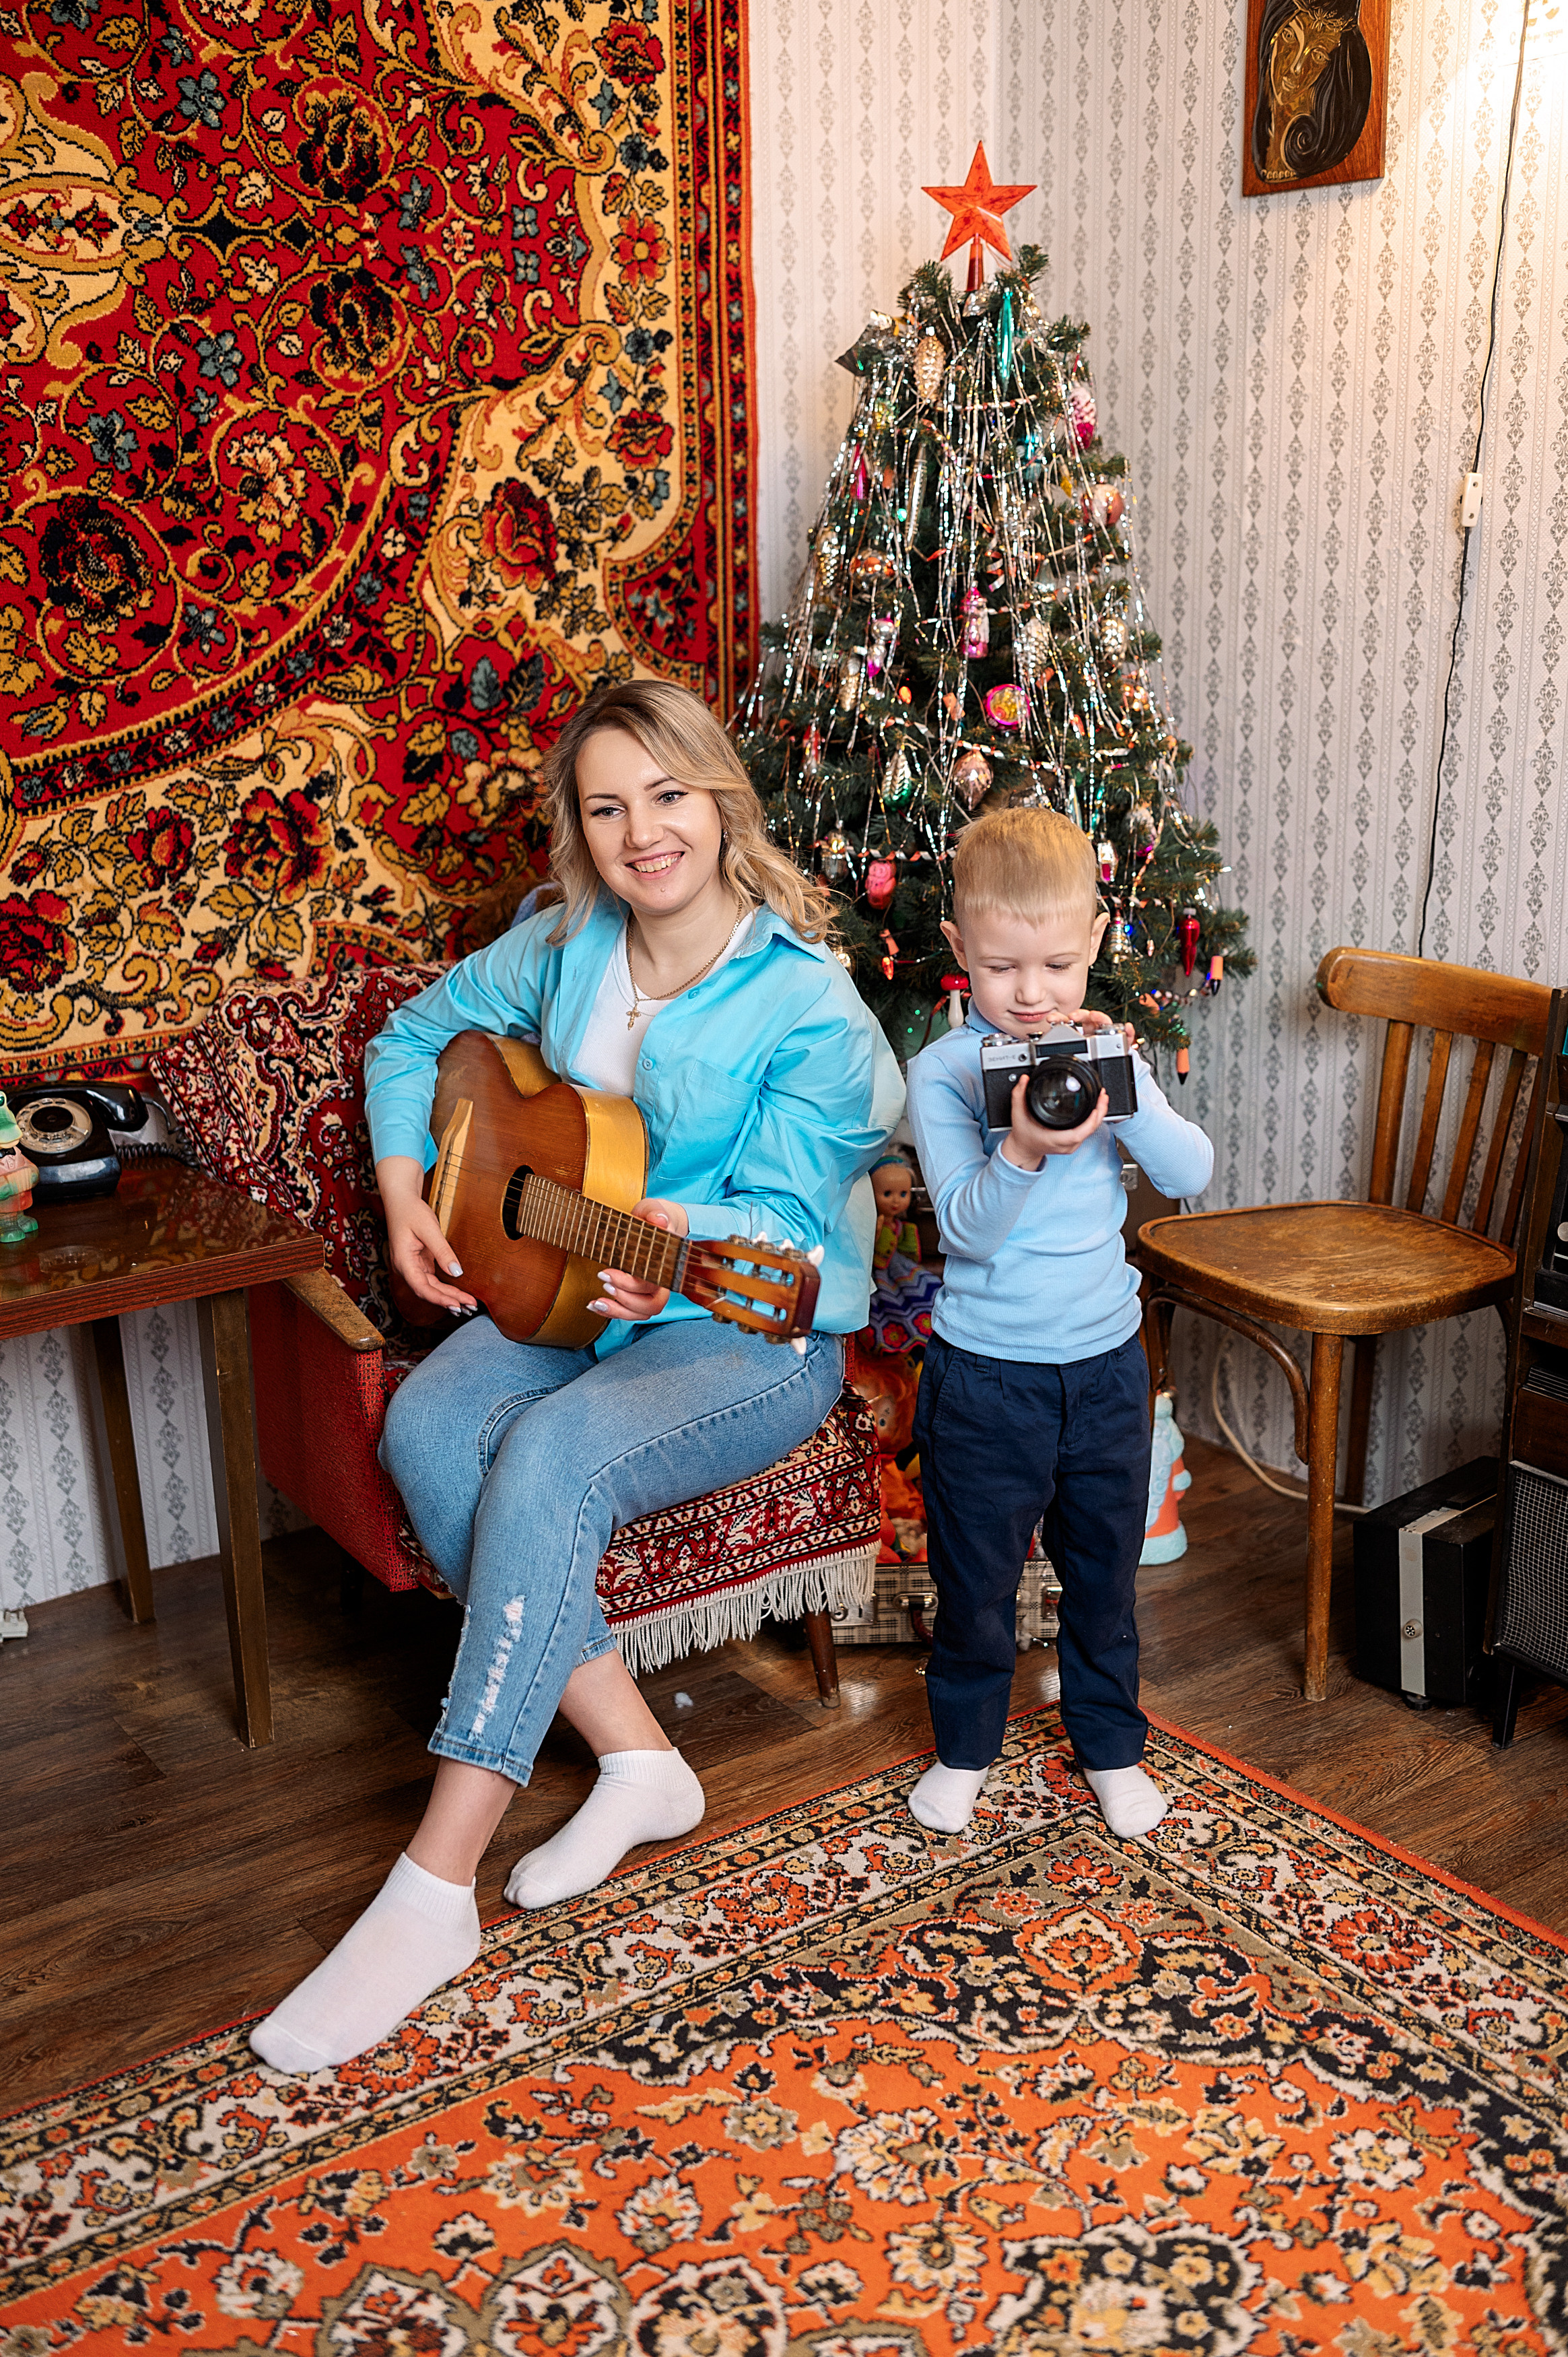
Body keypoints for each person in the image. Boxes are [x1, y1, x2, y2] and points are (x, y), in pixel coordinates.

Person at [248, 680, 903, 2074]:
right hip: (569, 1293)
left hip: (746, 1334)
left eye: (666, 797)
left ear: (719, 801)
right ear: (579, 828)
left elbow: (784, 1230)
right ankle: (641, 1759)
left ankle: (433, 1888)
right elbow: (410, 1038)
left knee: (550, 1454)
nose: (641, 833)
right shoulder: (564, 944)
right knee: (429, 1427)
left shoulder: (813, 1010)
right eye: (607, 808)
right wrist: (407, 1185)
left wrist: (686, 1246)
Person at [904, 807, 1213, 1841]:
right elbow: (966, 1230)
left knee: (1103, 1576)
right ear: (959, 951)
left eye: (1055, 966)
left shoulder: (1103, 1055)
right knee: (976, 1580)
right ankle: (964, 1748)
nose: (1031, 995)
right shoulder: (944, 1073)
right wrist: (1025, 1147)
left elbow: (1191, 1172)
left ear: (1094, 943)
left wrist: (1125, 1091)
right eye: (1001, 969)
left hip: (1106, 1367)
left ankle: (1111, 1746)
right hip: (987, 1375)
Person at [864, 1148, 940, 1353]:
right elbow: (874, 1255)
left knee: (929, 1287)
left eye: (903, 1194)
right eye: (887, 1194)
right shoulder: (874, 1225)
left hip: (901, 1269)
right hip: (879, 1274)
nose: (896, 1201)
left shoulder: (904, 1227)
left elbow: (912, 1256)